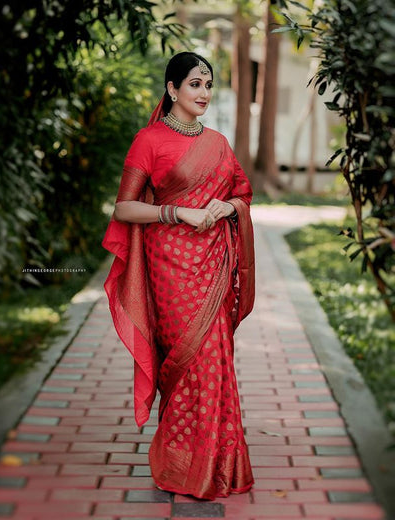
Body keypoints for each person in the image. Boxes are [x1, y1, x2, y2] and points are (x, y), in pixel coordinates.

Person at [102, 51, 255, 500]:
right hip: (169, 262)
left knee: (215, 357)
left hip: (214, 262)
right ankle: (183, 462)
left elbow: (243, 194)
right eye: (194, 84)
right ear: (172, 89)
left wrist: (225, 207)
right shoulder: (148, 140)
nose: (204, 93)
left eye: (208, 84)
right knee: (187, 360)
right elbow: (124, 207)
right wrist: (178, 213)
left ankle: (216, 463)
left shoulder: (220, 144)